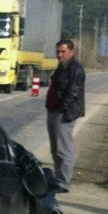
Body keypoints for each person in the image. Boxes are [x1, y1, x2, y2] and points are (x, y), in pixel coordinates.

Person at [45, 38, 86, 191]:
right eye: (58, 52)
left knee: (63, 148)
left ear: (71, 52)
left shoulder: (76, 69)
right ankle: (58, 178)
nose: (59, 55)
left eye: (63, 52)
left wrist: (61, 109)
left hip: (64, 113)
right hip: (54, 110)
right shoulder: (62, 67)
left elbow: (73, 92)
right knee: (55, 148)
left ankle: (64, 182)